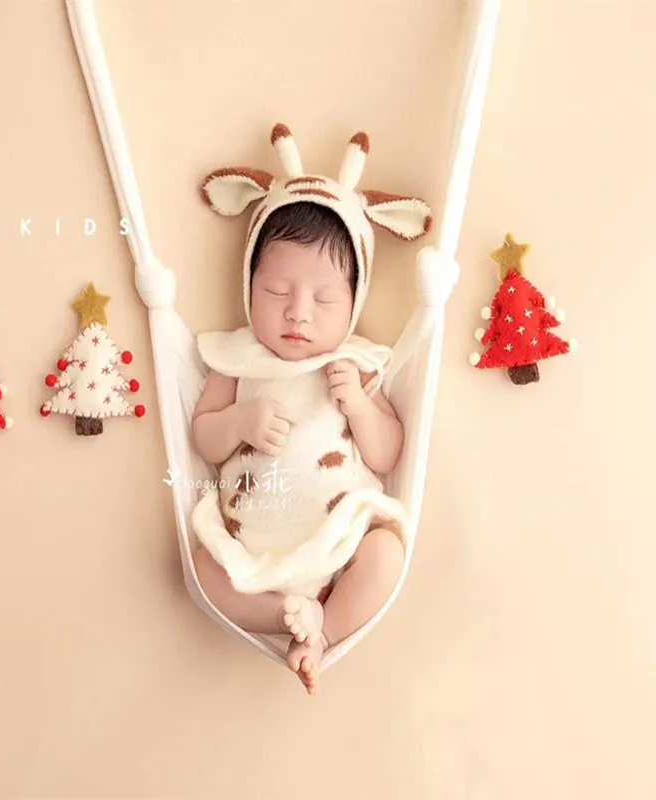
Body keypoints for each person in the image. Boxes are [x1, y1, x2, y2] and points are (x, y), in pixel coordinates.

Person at [190, 125, 432, 694]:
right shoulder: (238, 360)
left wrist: (362, 409)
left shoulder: (355, 364)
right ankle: (283, 616)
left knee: (387, 554)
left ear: (353, 301)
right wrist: (238, 423)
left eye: (324, 299)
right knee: (203, 570)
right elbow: (203, 437)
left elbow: (389, 451)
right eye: (277, 292)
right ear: (250, 284)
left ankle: (324, 628)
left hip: (340, 544)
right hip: (252, 551)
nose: (299, 314)